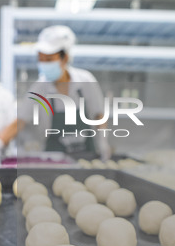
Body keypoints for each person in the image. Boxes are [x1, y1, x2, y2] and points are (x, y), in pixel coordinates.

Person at [17, 25, 112, 160]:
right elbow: (19, 121)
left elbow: (99, 114)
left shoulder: (86, 80)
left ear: (65, 58)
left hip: (87, 157)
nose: (43, 64)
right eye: (41, 59)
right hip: (54, 161)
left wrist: (102, 142)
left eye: (49, 59)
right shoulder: (39, 89)